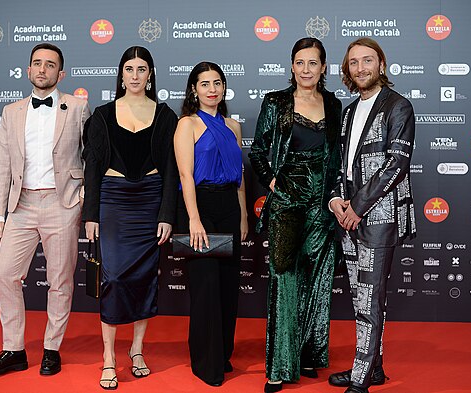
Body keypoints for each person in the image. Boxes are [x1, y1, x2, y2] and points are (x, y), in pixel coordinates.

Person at [0, 43, 91, 376]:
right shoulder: (11, 112)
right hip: (21, 205)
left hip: (63, 203)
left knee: (60, 281)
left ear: (61, 73)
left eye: (50, 65)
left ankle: (52, 349)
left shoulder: (78, 107)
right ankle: (13, 349)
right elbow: (1, 166)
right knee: (4, 275)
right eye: (37, 64)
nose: (42, 69)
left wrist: (82, 197)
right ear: (28, 70)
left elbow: (92, 158)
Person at [249, 37, 342, 393]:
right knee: (284, 282)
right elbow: (258, 150)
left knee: (316, 282)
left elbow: (336, 158)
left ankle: (304, 354)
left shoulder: (334, 106)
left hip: (322, 207)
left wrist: (333, 198)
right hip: (288, 204)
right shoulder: (277, 102)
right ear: (291, 66)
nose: (306, 69)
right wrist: (274, 183)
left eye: (313, 63)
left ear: (323, 68)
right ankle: (277, 367)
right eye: (300, 63)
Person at [82, 46, 179, 390]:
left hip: (150, 200)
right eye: (129, 69)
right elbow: (91, 166)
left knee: (143, 277)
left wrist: (167, 213)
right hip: (114, 200)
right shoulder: (103, 115)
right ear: (120, 74)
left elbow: (172, 170)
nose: (135, 75)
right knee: (114, 277)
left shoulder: (167, 116)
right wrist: (90, 213)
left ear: (150, 74)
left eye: (142, 69)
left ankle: (137, 350)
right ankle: (108, 357)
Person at [327, 37, 416, 393]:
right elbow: (340, 164)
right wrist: (336, 200)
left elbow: (396, 164)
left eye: (368, 61)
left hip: (379, 218)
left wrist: (358, 208)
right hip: (348, 216)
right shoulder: (349, 112)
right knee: (362, 297)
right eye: (354, 63)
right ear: (347, 70)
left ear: (381, 64)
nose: (361, 68)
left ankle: (361, 377)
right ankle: (372, 367)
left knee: (369, 297)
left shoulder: (398, 107)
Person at [174, 61, 248, 387]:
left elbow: (241, 177)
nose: (212, 89)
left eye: (217, 82)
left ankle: (223, 353)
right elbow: (185, 175)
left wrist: (244, 214)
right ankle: (206, 362)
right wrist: (193, 219)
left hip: (229, 207)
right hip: (199, 206)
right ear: (194, 89)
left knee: (228, 287)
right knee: (205, 287)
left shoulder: (233, 126)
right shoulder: (186, 124)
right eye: (205, 83)